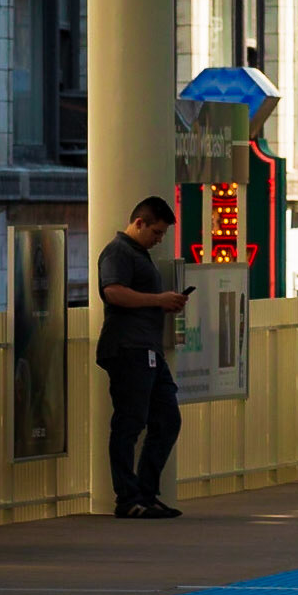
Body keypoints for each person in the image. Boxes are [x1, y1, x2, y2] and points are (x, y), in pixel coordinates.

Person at [96, 196, 188, 519]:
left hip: (148, 350)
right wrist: (158, 299)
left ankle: (144, 492)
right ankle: (128, 497)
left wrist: (164, 302)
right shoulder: (117, 252)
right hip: (129, 349)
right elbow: (113, 291)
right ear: (139, 223)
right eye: (157, 232)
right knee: (129, 422)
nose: (159, 239)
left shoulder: (140, 255)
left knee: (167, 418)